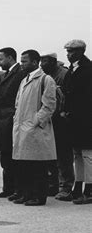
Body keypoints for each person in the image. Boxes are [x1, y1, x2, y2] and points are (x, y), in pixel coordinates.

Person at [12, 50, 57, 206]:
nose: (22, 64)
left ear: (35, 62)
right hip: (22, 127)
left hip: (35, 128)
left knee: (38, 165)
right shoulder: (24, 80)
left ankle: (39, 196)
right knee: (25, 164)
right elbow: (18, 103)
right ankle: (27, 193)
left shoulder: (46, 79)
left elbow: (49, 105)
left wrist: (36, 121)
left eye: (25, 61)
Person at [0, 47, 26, 199]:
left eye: (1, 59)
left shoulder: (20, 73)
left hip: (11, 119)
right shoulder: (5, 75)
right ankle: (8, 187)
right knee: (5, 157)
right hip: (2, 119)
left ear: (10, 58)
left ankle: (17, 188)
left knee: (13, 157)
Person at [40, 52, 74, 201]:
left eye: (45, 61)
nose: (42, 64)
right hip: (49, 120)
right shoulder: (44, 76)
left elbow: (70, 96)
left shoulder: (64, 74)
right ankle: (53, 185)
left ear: (53, 62)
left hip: (62, 122)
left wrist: (65, 113)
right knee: (50, 155)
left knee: (63, 156)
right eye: (41, 61)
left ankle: (66, 187)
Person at [63, 40, 92, 205]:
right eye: (68, 52)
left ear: (81, 51)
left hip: (86, 117)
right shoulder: (73, 70)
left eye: (72, 51)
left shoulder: (88, 69)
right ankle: (78, 186)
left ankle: (89, 188)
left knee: (88, 154)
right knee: (77, 154)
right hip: (74, 118)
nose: (69, 54)